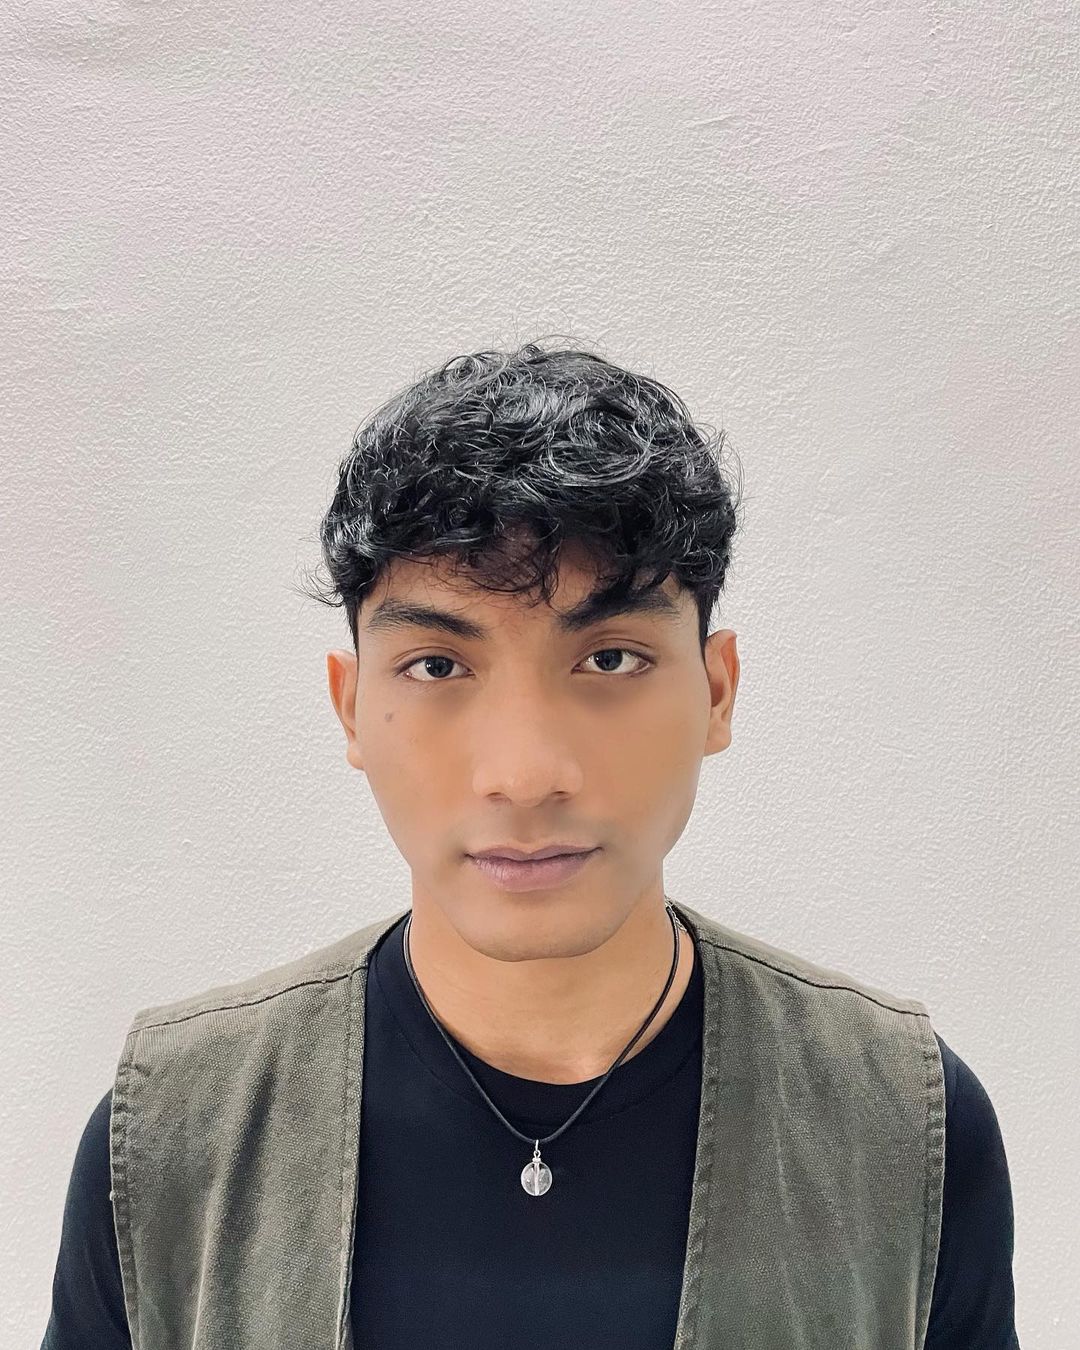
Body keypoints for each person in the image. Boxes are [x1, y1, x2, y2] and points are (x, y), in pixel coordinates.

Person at [42, 339, 1019, 1348]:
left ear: (717, 692)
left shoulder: (901, 1125)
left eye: (610, 658)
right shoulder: (171, 1137)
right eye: (436, 667)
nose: (523, 773)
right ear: (350, 706)